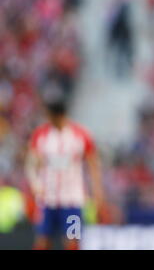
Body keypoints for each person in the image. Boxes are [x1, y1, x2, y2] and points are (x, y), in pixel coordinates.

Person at [25, 98, 104, 250]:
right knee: (43, 241)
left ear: (59, 115)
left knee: (72, 241)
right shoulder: (41, 135)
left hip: (72, 200)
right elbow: (31, 164)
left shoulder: (81, 135)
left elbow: (93, 166)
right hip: (47, 199)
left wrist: (98, 194)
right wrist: (34, 182)